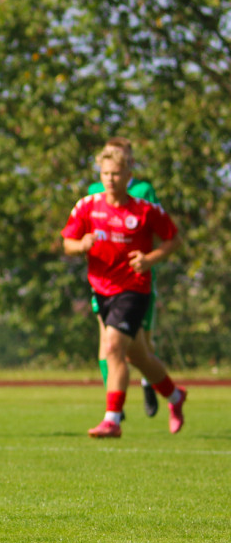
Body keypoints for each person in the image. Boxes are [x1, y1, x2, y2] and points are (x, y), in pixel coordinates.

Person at [62, 145, 187, 438]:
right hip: (101, 291)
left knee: (113, 346)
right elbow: (67, 241)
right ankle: (175, 396)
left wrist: (150, 259)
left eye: (116, 173)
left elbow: (174, 240)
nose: (110, 179)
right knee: (139, 356)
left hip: (133, 289)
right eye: (105, 173)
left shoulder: (144, 209)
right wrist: (81, 246)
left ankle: (112, 419)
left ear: (129, 175)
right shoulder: (87, 205)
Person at [85, 138, 160, 419]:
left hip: (136, 281)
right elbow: (81, 230)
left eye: (122, 157)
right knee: (108, 342)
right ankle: (113, 404)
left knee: (140, 346)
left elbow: (157, 229)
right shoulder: (94, 192)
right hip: (104, 281)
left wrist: (147, 257)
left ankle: (150, 383)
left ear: (129, 163)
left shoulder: (143, 190)